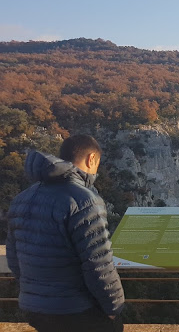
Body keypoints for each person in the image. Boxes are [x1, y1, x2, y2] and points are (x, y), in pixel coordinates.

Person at [6, 135, 125, 332]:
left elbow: (14, 258)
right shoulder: (83, 200)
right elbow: (98, 263)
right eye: (97, 164)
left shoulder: (23, 198)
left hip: (34, 309)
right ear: (91, 159)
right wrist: (114, 307)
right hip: (75, 310)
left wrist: (35, 295)